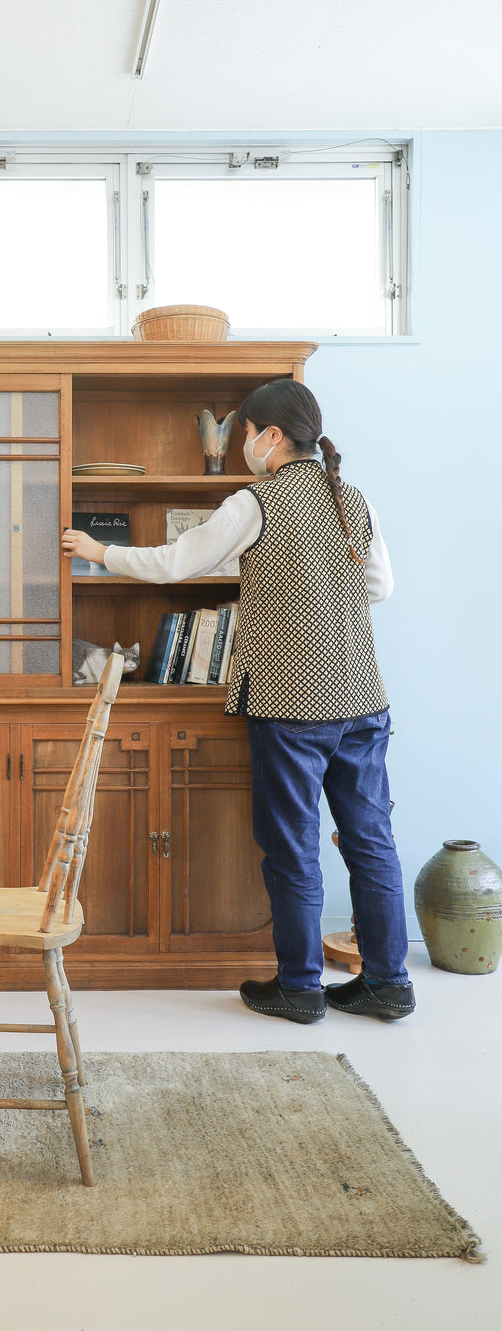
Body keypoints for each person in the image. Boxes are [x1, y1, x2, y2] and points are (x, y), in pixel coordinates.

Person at [61, 378, 414, 1024]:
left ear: (270, 436)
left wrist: (98, 550)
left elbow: (176, 563)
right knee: (371, 843)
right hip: (362, 696)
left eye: (245, 433)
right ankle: (389, 984)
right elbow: (380, 586)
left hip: (290, 703)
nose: (243, 444)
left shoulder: (257, 501)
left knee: (292, 846)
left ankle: (301, 988)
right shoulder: (351, 498)